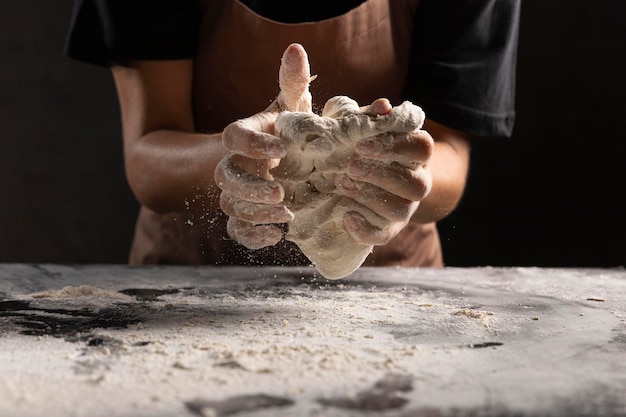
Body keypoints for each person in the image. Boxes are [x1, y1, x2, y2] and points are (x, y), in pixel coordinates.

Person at [65, 0, 519, 270]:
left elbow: (450, 153)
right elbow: (147, 154)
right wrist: (246, 159)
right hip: (190, 283)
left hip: (391, 285)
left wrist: (403, 177)